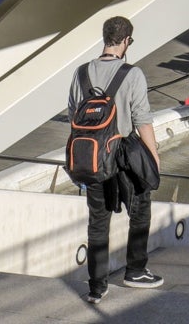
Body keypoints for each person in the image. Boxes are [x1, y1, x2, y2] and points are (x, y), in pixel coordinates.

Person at [69, 16, 163, 305]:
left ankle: (97, 286)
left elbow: (73, 115)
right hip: (122, 156)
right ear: (126, 41)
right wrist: (155, 159)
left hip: (93, 159)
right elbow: (142, 121)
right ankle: (135, 270)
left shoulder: (81, 73)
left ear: (105, 38)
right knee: (141, 206)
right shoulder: (132, 74)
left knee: (97, 221)